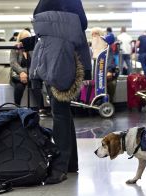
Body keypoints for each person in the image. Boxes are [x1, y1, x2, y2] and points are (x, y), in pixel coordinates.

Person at [20, 0, 92, 182]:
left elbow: (42, 40)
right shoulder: (73, 8)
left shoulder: (46, 6)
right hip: (68, 59)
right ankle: (70, 163)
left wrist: (34, 73)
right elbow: (81, 30)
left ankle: (59, 167)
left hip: (54, 61)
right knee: (62, 112)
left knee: (59, 113)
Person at [9, 30, 47, 117]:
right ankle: (17, 108)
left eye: (27, 38)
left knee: (35, 84)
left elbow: (36, 63)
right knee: (19, 87)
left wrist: (25, 73)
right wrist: (21, 72)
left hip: (31, 74)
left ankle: (41, 108)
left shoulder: (34, 48)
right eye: (23, 39)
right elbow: (13, 63)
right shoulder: (15, 48)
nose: (25, 41)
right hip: (18, 75)